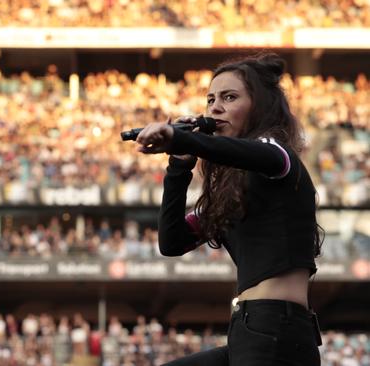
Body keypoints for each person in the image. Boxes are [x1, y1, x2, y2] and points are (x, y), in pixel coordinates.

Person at [134, 53, 323, 365]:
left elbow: (252, 154)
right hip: (249, 329)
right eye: (210, 100)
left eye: (229, 97)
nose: (215, 108)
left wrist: (181, 139)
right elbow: (171, 243)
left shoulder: (279, 158)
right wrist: (179, 165)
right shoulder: (231, 192)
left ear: (259, 106)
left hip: (278, 329)